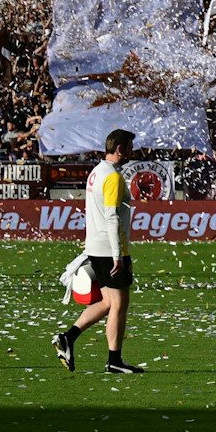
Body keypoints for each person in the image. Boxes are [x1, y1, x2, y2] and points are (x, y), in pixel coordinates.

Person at [53, 128, 143, 374]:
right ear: (120, 149)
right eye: (130, 148)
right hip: (109, 249)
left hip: (95, 246)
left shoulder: (96, 172)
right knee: (119, 305)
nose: (132, 152)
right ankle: (114, 360)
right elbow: (111, 216)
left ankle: (68, 338)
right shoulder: (113, 177)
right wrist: (117, 255)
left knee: (108, 302)